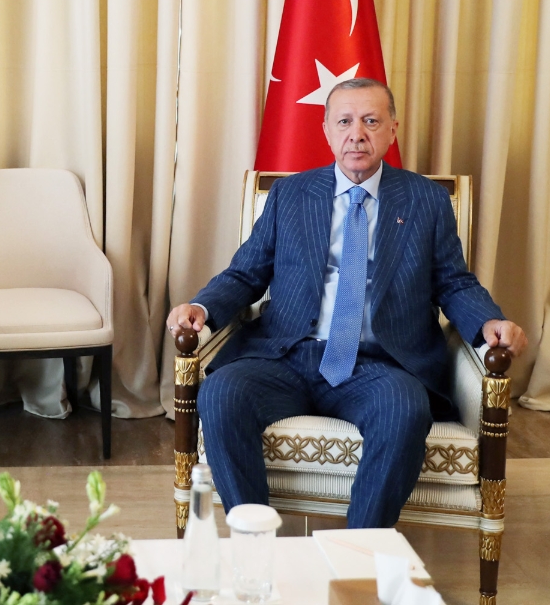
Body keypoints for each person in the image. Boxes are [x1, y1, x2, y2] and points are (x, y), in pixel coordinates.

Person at [167, 78, 527, 528]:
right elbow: (246, 273)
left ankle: (359, 557)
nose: (357, 133)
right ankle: (252, 537)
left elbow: (452, 282)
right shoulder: (291, 195)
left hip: (379, 363)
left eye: (371, 121)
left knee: (405, 408)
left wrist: (488, 320)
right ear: (327, 130)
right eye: (345, 121)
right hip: (289, 355)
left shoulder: (426, 201)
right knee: (222, 392)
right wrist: (203, 308)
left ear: (392, 130)